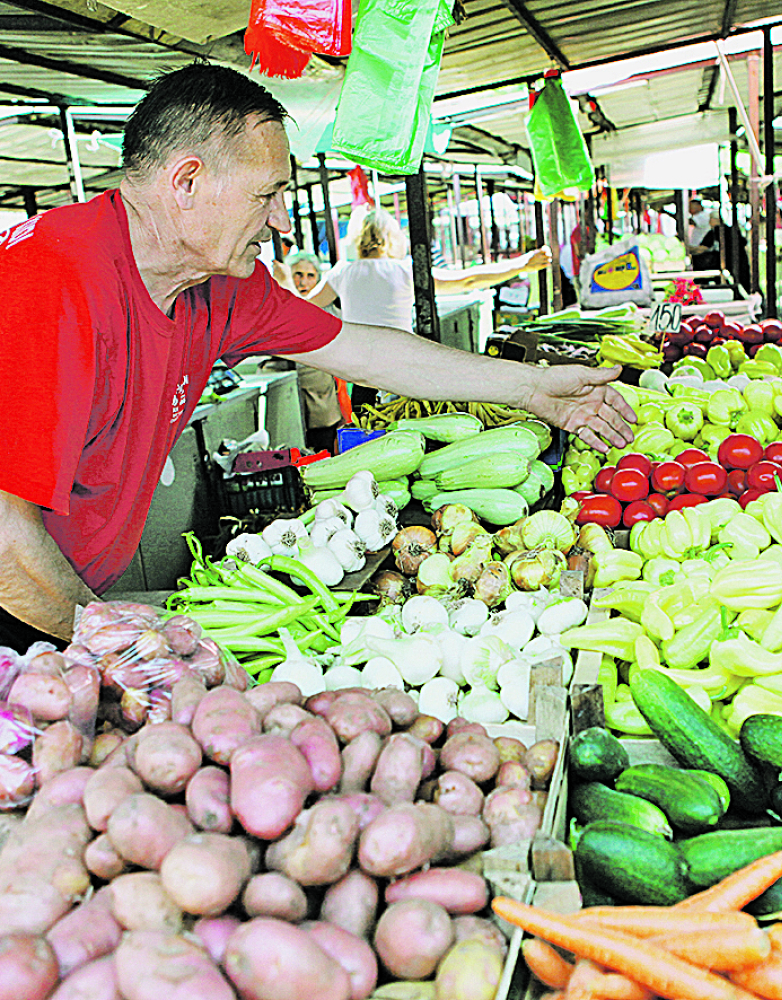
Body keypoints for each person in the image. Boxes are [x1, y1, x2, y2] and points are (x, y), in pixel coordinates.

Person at [0, 63, 633, 650]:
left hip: (75, 609)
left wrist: (530, 388)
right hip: (25, 606)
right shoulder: (45, 280)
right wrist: (110, 643)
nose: (281, 220)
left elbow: (363, 349)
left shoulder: (220, 284)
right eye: (267, 193)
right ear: (187, 181)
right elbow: (5, 542)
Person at [304, 207, 554, 411]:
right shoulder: (403, 271)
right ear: (391, 238)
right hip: (403, 366)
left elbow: (304, 307)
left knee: (365, 429)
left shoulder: (341, 272)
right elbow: (467, 280)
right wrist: (521, 265)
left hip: (358, 371)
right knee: (407, 429)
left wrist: (281, 282)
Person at [262, 250, 350, 453]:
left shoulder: (327, 308)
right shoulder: (273, 305)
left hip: (319, 391)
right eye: (297, 275)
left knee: (324, 443)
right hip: (285, 387)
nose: (303, 281)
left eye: (310, 276)